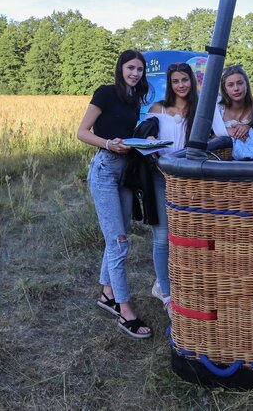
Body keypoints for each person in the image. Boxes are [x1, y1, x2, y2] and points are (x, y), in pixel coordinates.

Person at [76, 49, 152, 339]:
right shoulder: (106, 93)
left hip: (125, 173)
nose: (135, 73)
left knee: (118, 236)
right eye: (131, 68)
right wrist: (108, 144)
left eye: (140, 70)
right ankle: (125, 311)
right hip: (105, 170)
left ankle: (108, 293)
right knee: (118, 243)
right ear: (121, 68)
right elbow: (82, 132)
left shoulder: (135, 100)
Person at [144, 63, 199, 318]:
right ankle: (165, 292)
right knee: (162, 235)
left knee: (189, 234)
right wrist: (151, 140)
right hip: (159, 176)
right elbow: (145, 134)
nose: (181, 85)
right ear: (170, 83)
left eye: (185, 80)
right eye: (176, 81)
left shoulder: (199, 109)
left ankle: (187, 284)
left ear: (192, 81)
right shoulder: (159, 108)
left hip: (188, 180)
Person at [211, 64, 253, 141]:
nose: (236, 88)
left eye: (240, 83)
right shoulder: (217, 110)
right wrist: (226, 131)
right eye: (230, 85)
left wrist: (249, 128)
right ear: (225, 89)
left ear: (246, 85)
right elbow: (206, 136)